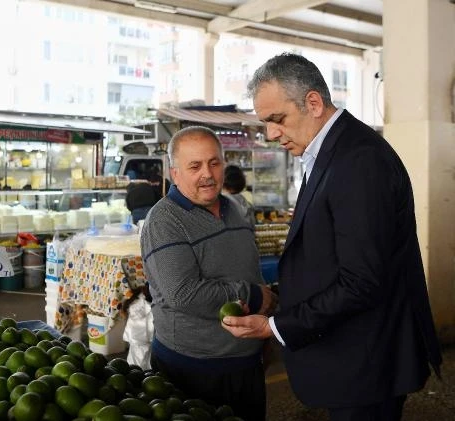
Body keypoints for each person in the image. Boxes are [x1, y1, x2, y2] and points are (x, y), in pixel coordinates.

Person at [221, 53, 442, 421]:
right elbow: (331, 255)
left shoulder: (358, 161)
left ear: (313, 102)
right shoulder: (331, 150)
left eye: (277, 120)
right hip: (353, 358)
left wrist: (276, 327)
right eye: (266, 123)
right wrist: (279, 300)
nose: (272, 134)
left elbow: (361, 280)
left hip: (367, 363)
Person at [140, 125, 277, 420]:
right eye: (195, 166)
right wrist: (254, 296)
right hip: (192, 370)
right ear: (174, 173)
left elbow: (250, 271)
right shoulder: (163, 221)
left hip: (245, 365)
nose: (208, 173)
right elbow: (183, 294)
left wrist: (264, 334)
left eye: (214, 163)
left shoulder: (235, 210)